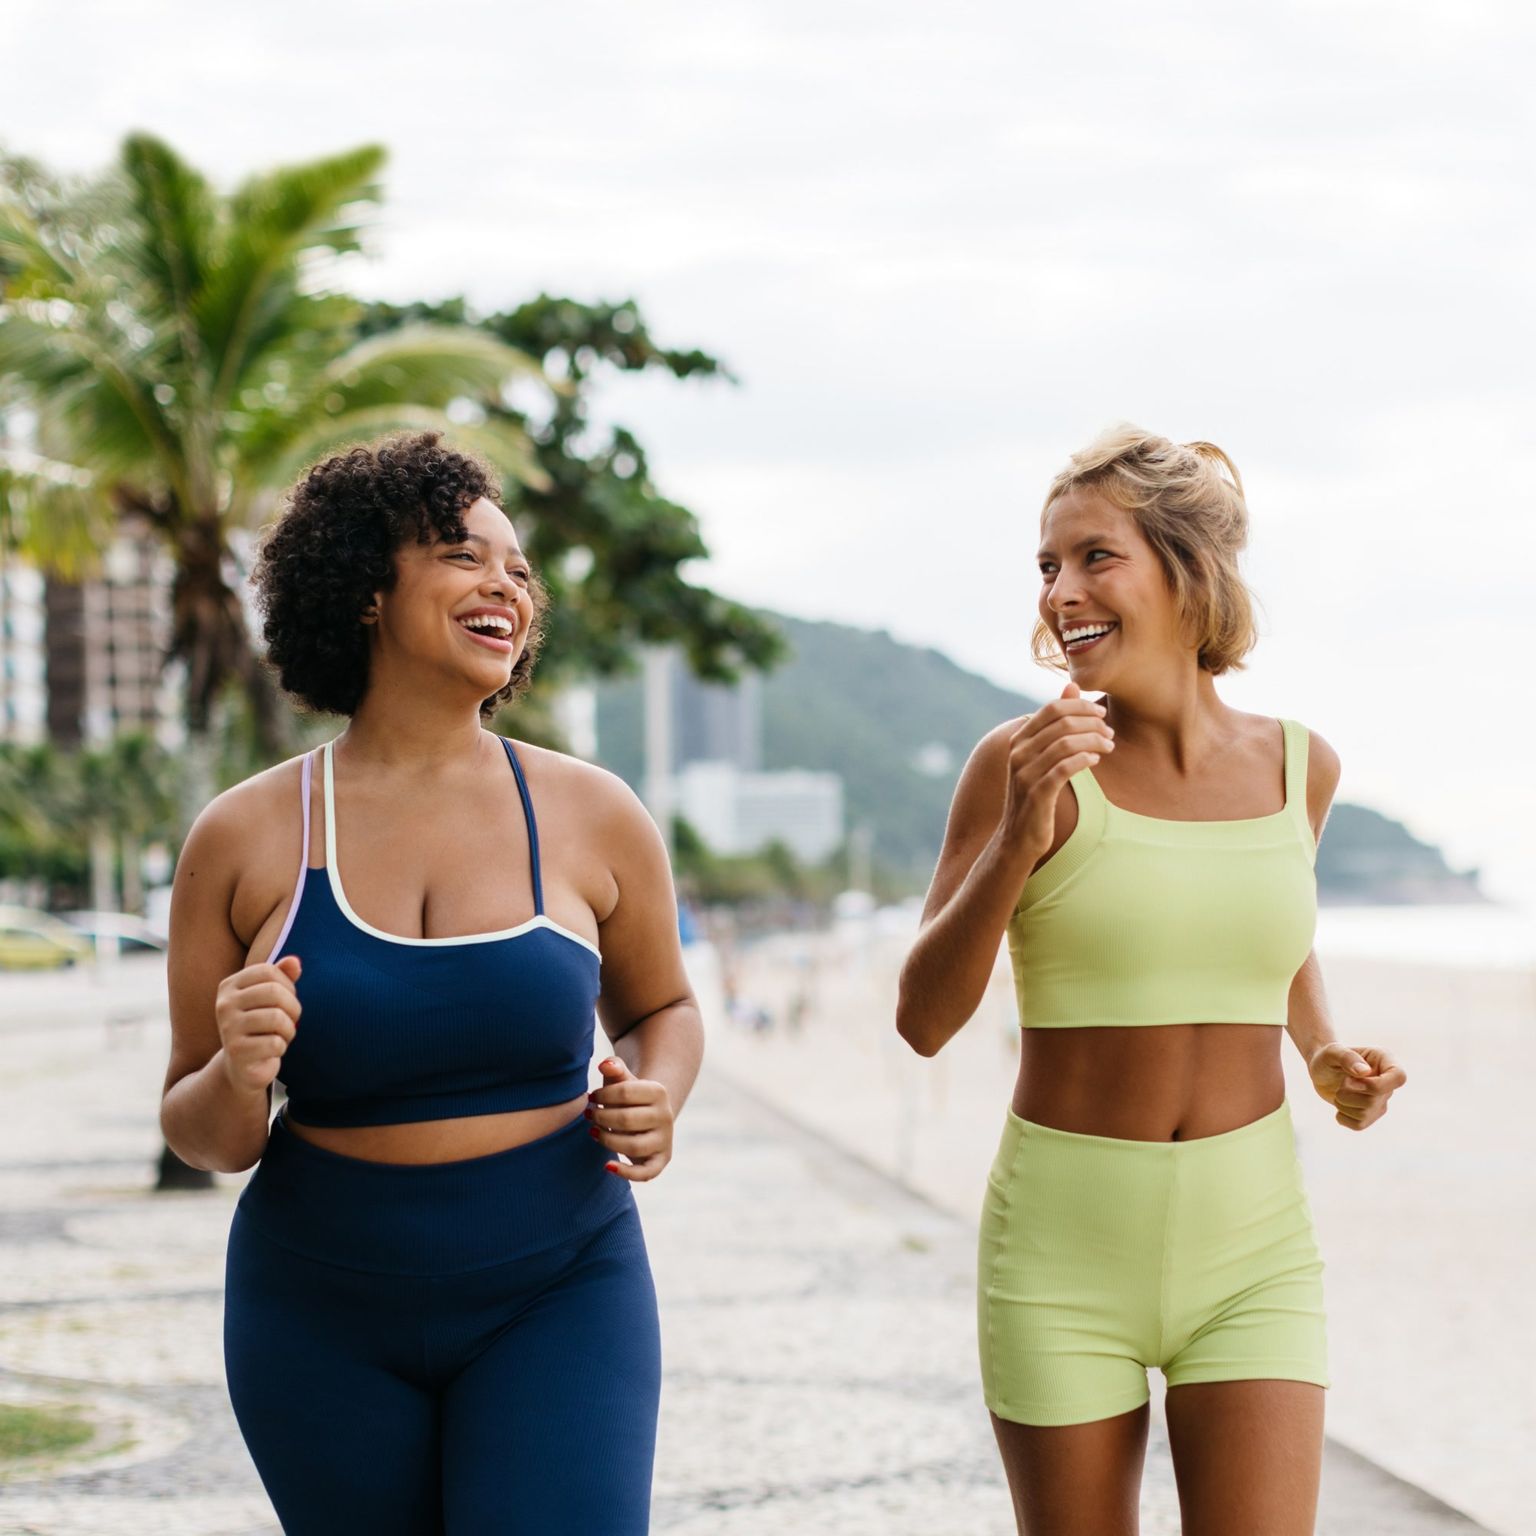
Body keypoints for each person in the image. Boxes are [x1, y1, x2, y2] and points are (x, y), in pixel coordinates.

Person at [160, 432, 702, 1535]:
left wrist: (659, 1096)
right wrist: (238, 1067)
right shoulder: (244, 836)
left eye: (517, 567)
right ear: (365, 589)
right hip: (317, 1308)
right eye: (462, 553)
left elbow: (663, 1009)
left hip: (561, 1285)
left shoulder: (593, 813)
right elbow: (202, 1132)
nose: (505, 580)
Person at [896, 425, 1406, 1536]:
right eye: (1046, 566)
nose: (1059, 593)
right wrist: (1019, 834)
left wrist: (1322, 1047)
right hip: (1064, 1250)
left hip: (1254, 1245)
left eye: (1093, 557)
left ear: (1187, 571)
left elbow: (1259, 922)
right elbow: (925, 1019)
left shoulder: (1298, 766)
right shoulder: (1021, 761)